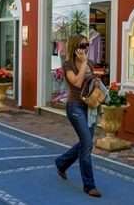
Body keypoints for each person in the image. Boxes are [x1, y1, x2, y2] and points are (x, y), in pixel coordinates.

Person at [54, 35, 101, 198]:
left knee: (85, 143)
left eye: (87, 44)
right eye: (82, 45)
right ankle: (89, 186)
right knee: (87, 143)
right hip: (75, 107)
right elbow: (77, 83)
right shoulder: (68, 64)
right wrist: (83, 64)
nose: (85, 47)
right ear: (75, 47)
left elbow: (90, 83)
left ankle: (62, 162)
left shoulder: (91, 63)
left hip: (91, 107)